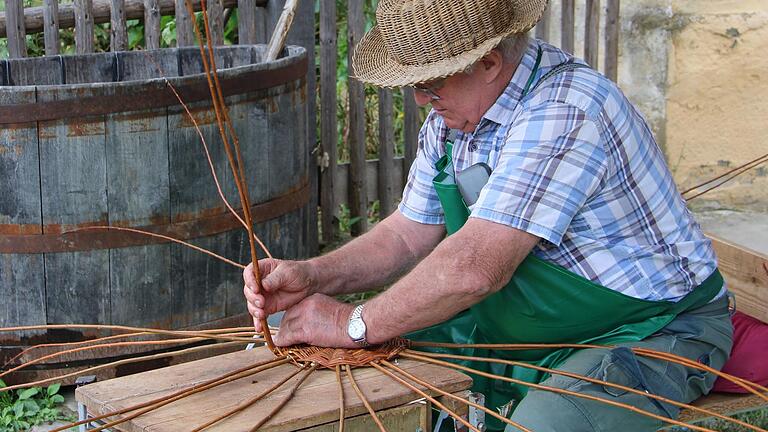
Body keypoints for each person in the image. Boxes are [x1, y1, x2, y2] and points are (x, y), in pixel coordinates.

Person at [244, 0, 733, 430]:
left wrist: (354, 323)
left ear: (491, 63)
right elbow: (407, 233)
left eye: (430, 84)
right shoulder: (457, 116)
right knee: (389, 384)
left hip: (653, 329)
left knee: (543, 425)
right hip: (524, 331)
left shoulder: (566, 109)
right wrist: (313, 275)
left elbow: (474, 269)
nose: (419, 99)